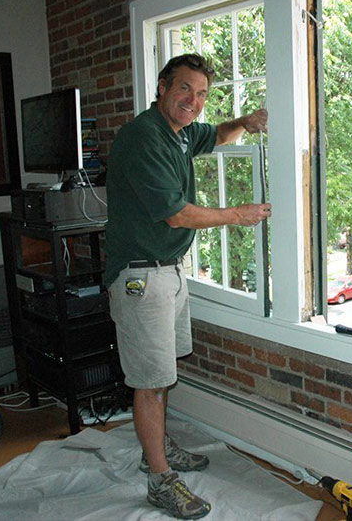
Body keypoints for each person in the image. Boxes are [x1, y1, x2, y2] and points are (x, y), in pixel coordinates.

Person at [104, 53, 270, 520]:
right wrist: (238, 215)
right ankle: (159, 478)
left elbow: (216, 135)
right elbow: (177, 214)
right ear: (162, 87)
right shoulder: (144, 137)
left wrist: (245, 122)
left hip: (168, 271)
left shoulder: (179, 132)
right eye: (184, 89)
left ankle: (154, 450)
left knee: (162, 374)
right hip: (142, 276)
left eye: (201, 94)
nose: (193, 101)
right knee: (151, 382)